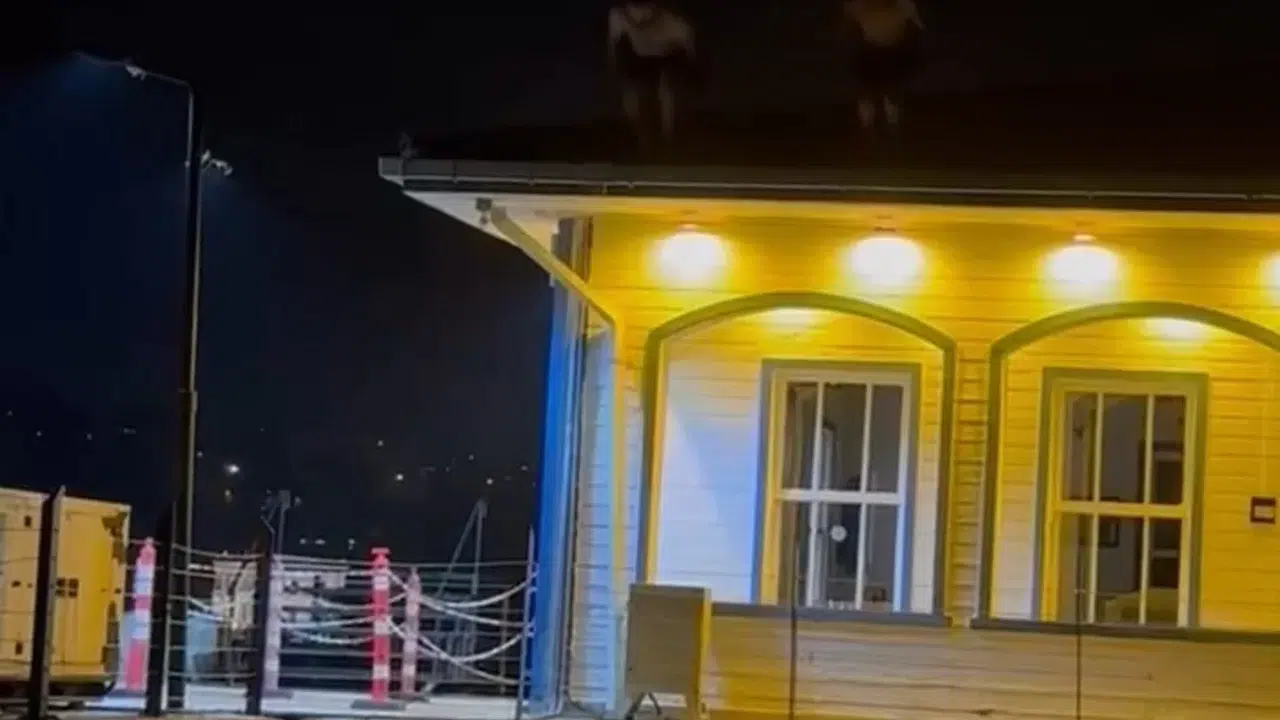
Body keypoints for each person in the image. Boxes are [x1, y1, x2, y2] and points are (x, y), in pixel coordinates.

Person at [608, 1, 696, 144]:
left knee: (666, 92)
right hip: (641, 56)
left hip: (667, 55)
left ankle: (668, 136)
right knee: (633, 96)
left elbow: (688, 50)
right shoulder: (619, 16)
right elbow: (613, 43)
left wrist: (686, 69)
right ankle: (644, 137)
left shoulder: (675, 24)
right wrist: (616, 64)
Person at [843, 0, 924, 136]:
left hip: (894, 51)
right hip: (867, 51)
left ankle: (892, 125)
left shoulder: (904, 6)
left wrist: (902, 43)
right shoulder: (856, 6)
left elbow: (915, 29)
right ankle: (868, 126)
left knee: (892, 90)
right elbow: (846, 30)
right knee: (866, 91)